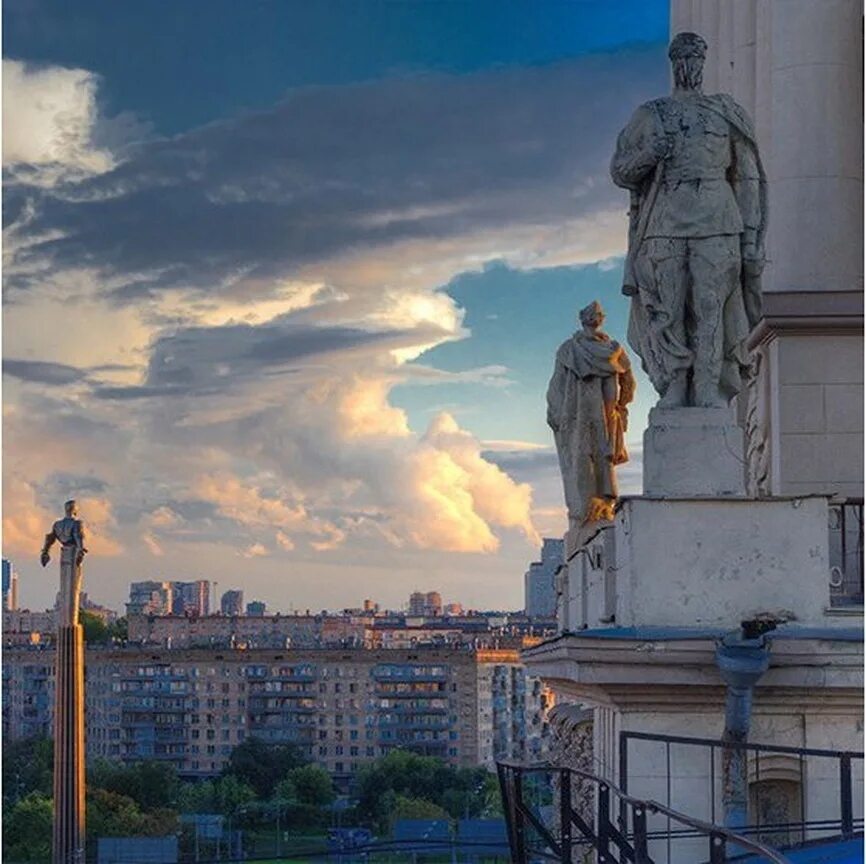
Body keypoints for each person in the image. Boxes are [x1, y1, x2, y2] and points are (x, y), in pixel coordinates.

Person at [611, 31, 766, 408]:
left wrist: (749, 237)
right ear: (674, 64)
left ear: (703, 63)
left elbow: (746, 178)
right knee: (668, 307)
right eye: (683, 59)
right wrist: (650, 153)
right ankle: (676, 383)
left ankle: (709, 386)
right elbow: (621, 171)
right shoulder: (651, 115)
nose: (689, 67)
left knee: (710, 306)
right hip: (665, 220)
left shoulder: (724, 112)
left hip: (717, 219)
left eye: (696, 59)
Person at [547, 301, 635, 527]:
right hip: (601, 416)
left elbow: (556, 386)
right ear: (600, 319)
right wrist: (621, 407)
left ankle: (589, 511)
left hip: (581, 416)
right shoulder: (613, 351)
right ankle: (596, 509)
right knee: (599, 459)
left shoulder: (569, 349)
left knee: (583, 459)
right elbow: (629, 384)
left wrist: (555, 413)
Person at [41, 499, 87, 627]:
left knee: (66, 588)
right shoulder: (77, 523)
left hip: (64, 555)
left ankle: (67, 623)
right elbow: (79, 538)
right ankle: (70, 623)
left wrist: (45, 552)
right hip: (73, 555)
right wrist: (80, 552)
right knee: (73, 587)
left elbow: (50, 539)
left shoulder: (57, 525)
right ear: (75, 510)